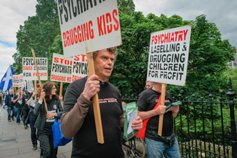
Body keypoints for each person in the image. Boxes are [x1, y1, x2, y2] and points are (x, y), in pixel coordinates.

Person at [61, 48, 142, 158]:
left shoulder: (115, 90)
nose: (109, 62)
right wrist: (85, 96)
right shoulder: (75, 88)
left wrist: (132, 124)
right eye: (104, 58)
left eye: (112, 59)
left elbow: (118, 121)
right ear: (92, 60)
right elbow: (67, 131)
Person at [137, 82, 180, 158]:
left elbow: (172, 116)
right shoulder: (145, 94)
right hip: (154, 139)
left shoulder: (168, 94)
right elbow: (137, 115)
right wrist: (155, 112)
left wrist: (175, 112)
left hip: (171, 138)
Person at [34, 82, 63, 158]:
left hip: (54, 129)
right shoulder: (42, 100)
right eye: (53, 88)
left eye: (55, 88)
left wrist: (54, 114)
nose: (55, 90)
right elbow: (35, 111)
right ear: (48, 89)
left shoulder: (56, 100)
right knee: (47, 151)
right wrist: (40, 98)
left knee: (54, 151)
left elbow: (63, 113)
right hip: (43, 129)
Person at [26, 84, 41, 150]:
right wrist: (33, 95)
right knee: (33, 131)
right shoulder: (32, 94)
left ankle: (41, 143)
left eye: (39, 88)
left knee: (40, 131)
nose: (38, 90)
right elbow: (27, 103)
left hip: (40, 114)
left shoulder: (42, 95)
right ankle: (34, 144)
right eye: (37, 88)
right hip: (32, 114)